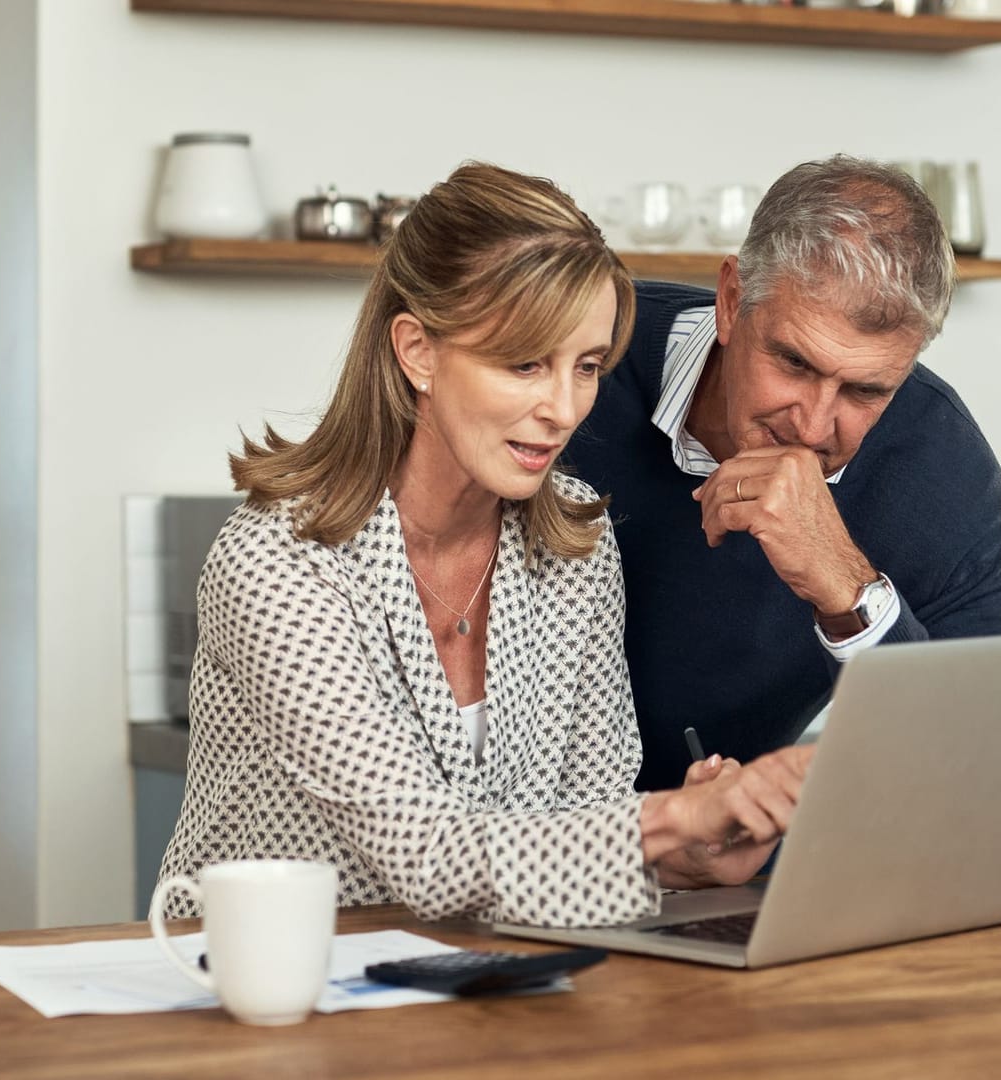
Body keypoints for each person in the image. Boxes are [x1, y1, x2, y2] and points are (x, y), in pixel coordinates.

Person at [157, 163, 814, 929]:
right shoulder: (277, 562)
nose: (564, 408)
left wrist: (682, 860)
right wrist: (675, 819)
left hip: (484, 991)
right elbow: (427, 854)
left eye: (588, 366)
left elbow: (583, 817)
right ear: (418, 351)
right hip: (271, 992)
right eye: (524, 363)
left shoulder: (576, 548)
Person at [565, 155, 1001, 793]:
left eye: (864, 390)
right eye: (794, 363)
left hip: (731, 860)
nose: (812, 426)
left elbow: (974, 768)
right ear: (730, 299)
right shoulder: (582, 365)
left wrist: (848, 591)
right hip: (519, 849)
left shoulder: (945, 473)